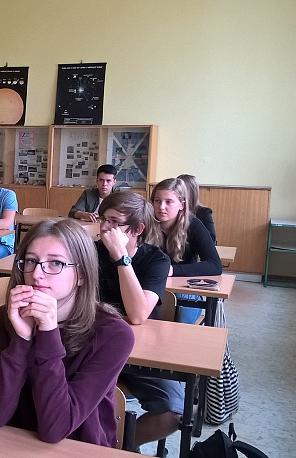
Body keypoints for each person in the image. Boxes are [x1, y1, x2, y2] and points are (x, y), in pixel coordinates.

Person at [0, 219, 134, 446]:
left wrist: (48, 333)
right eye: (31, 260)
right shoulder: (8, 317)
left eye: (55, 263)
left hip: (79, 447)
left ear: (81, 274)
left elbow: (55, 429)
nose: (37, 274)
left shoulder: (114, 334)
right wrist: (22, 339)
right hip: (13, 443)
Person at [95, 191, 182, 449]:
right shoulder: (90, 252)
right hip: (95, 345)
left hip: (140, 351)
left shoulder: (157, 260)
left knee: (174, 412)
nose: (105, 227)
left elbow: (137, 314)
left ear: (137, 229)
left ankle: (119, 447)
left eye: (114, 222)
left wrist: (120, 257)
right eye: (103, 219)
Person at [152, 177, 222, 324]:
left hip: (183, 291)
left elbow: (215, 265)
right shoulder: (145, 224)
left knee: (178, 321)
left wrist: (172, 270)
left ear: (182, 205)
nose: (161, 207)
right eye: (157, 201)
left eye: (168, 202)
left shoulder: (194, 226)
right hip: (152, 284)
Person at [177, 173, 216, 243]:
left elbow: (211, 239)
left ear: (192, 192)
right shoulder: (173, 210)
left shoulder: (204, 212)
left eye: (182, 190)